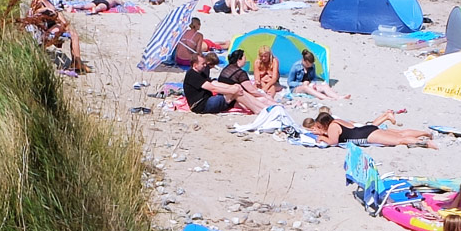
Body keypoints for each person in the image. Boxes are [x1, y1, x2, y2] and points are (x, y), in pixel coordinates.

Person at [183, 52, 275, 115]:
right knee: (235, 92)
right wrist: (230, 90)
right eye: (202, 64)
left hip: (208, 99)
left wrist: (232, 87)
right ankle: (259, 109)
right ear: (195, 65)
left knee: (238, 90)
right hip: (201, 105)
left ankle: (262, 108)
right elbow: (212, 88)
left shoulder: (202, 72)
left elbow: (215, 83)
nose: (205, 66)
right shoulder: (192, 74)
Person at [302, 110, 437, 148]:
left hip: (367, 135)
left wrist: (321, 137)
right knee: (400, 133)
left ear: (325, 123)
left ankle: (426, 143)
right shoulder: (337, 120)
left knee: (399, 140)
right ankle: (426, 133)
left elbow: (333, 142)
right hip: (367, 128)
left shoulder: (332, 127)